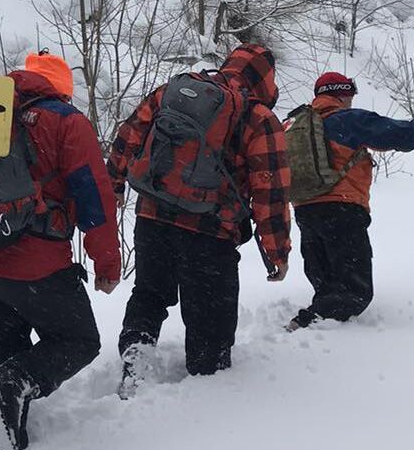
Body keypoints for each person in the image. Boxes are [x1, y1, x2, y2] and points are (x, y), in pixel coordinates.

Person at [0, 52, 122, 450]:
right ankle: (11, 389)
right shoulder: (64, 121)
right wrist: (106, 262)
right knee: (79, 340)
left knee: (8, 354)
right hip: (36, 261)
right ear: (60, 90)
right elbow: (94, 198)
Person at [107, 44, 292, 397]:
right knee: (210, 319)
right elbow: (271, 193)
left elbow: (129, 135)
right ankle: (204, 398)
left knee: (149, 294)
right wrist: (277, 253)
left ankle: (136, 358)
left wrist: (114, 184)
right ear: (265, 79)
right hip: (210, 232)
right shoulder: (259, 118)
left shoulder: (174, 91)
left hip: (152, 216)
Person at [285, 71, 414, 331]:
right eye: (350, 96)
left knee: (327, 283)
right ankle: (309, 329)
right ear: (343, 94)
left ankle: (317, 327)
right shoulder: (345, 121)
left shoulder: (292, 126)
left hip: (304, 211)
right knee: (353, 291)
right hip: (342, 210)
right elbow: (399, 132)